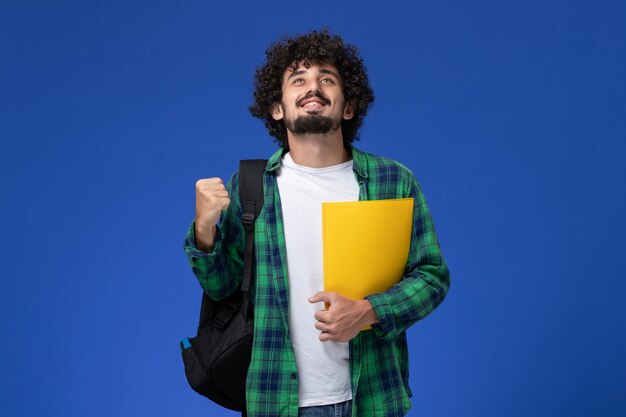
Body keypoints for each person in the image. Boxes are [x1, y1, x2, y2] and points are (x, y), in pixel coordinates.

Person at [184, 29, 450, 417]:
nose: (314, 87)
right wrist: (205, 229)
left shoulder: (393, 181)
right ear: (277, 108)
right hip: (277, 399)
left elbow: (432, 276)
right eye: (299, 79)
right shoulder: (251, 186)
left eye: (327, 78)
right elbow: (223, 286)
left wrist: (370, 311)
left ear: (347, 106)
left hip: (372, 397)